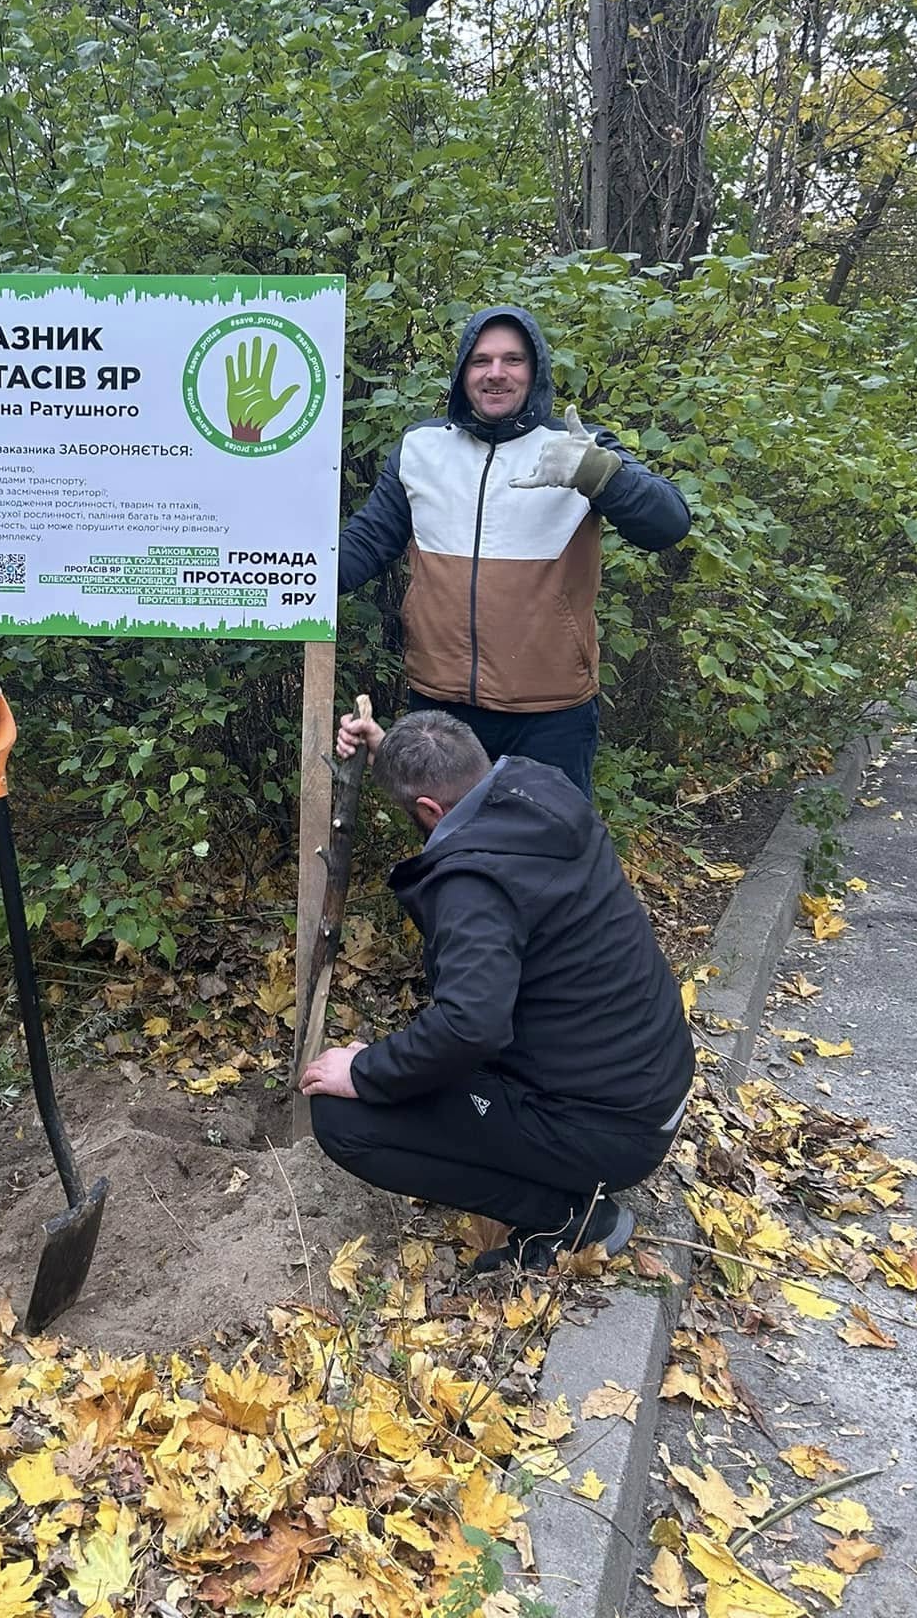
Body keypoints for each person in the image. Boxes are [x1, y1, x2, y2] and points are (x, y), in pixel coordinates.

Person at [299, 708, 693, 1271]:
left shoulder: (474, 886)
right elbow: (449, 784)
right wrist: (392, 751)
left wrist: (363, 1072)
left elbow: (471, 1026)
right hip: (647, 1088)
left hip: (607, 1130)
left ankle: (572, 1221)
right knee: (415, 1059)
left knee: (345, 1120)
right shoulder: (539, 788)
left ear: (429, 810)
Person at [337, 306, 690, 797]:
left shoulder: (574, 446)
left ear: (535, 370)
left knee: (547, 860)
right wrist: (283, 579)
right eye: (481, 361)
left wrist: (601, 475)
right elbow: (368, 542)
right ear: (463, 372)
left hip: (550, 714)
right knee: (453, 859)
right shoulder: (421, 448)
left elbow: (669, 523)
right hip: (441, 710)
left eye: (513, 360)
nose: (496, 374)